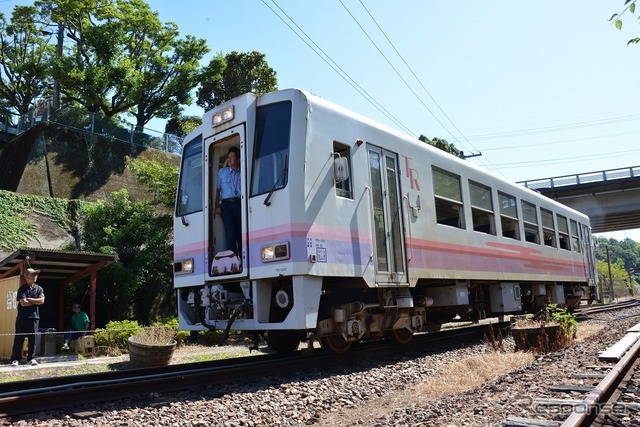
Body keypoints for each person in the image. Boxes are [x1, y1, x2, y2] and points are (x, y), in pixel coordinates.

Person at [10, 268, 45, 366]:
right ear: (26, 277)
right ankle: (15, 359)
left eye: (36, 275)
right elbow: (23, 303)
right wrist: (35, 300)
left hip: (34, 318)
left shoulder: (39, 289)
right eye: (33, 275)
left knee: (33, 339)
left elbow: (42, 301)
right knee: (19, 339)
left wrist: (29, 299)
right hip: (22, 318)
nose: (35, 277)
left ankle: (31, 359)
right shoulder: (22, 289)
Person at [214, 146, 242, 257]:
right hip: (226, 205)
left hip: (240, 203)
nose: (229, 159)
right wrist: (217, 206)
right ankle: (233, 262)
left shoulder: (243, 171)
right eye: (228, 157)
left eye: (232, 157)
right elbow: (217, 190)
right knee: (230, 234)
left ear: (238, 159)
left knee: (241, 233)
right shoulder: (222, 172)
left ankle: (243, 261)